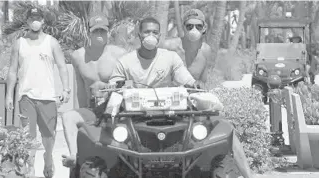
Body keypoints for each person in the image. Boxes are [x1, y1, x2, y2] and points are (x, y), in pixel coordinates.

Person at [92, 16, 254, 178]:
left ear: (160, 36)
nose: (151, 35)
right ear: (139, 35)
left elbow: (187, 80)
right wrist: (107, 87)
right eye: (146, 31)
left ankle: (249, 175)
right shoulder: (125, 62)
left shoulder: (170, 58)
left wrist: (195, 85)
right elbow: (114, 86)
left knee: (224, 128)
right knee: (101, 140)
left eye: (155, 32)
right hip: (134, 118)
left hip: (172, 114)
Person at [5, 7, 71, 178]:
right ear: (27, 22)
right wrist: (8, 95)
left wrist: (66, 89)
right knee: (28, 136)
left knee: (49, 136)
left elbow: (63, 67)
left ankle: (48, 159)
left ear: (43, 21)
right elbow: (12, 71)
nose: (35, 20)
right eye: (32, 18)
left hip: (47, 96)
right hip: (26, 96)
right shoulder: (19, 43)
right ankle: (31, 167)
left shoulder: (52, 42)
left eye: (38, 17)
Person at [61, 15, 127, 167]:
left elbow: (129, 84)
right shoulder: (78, 56)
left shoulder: (119, 54)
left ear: (108, 32)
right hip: (93, 110)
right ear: (89, 33)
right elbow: (79, 90)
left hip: (117, 110)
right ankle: (73, 156)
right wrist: (80, 114)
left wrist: (107, 88)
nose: (99, 35)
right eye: (96, 31)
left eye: (102, 31)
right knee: (68, 117)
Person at [159, 9, 212, 84]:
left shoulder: (206, 50)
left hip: (193, 93)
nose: (194, 30)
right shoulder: (168, 46)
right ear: (183, 27)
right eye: (189, 26)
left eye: (198, 26)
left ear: (204, 28)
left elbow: (202, 82)